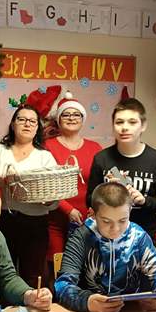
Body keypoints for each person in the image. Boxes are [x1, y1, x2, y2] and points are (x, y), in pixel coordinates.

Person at [55, 182, 156, 312]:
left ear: (130, 211)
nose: (115, 229)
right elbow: (62, 285)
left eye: (122, 220)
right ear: (92, 214)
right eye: (106, 221)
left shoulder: (138, 237)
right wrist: (87, 302)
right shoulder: (81, 237)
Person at [87, 98, 156, 240]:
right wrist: (108, 191)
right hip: (106, 236)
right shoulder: (101, 158)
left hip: (143, 236)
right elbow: (89, 199)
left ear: (143, 125)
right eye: (119, 122)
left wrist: (144, 201)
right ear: (113, 126)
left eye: (132, 122)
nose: (125, 127)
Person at [0, 104, 58, 287]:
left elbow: (54, 199)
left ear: (37, 128)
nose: (27, 124)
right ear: (13, 124)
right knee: (2, 273)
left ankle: (33, 305)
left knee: (33, 276)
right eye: (22, 119)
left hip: (35, 224)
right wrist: (1, 181)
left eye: (32, 121)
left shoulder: (45, 157)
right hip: (2, 220)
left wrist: (48, 199)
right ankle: (3, 306)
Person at [44, 93, 102, 283]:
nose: (71, 118)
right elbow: (46, 185)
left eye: (76, 114)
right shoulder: (47, 146)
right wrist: (68, 209)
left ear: (83, 119)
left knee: (86, 270)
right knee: (57, 271)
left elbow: (102, 182)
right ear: (58, 119)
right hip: (55, 220)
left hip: (88, 221)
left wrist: (96, 208)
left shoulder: (95, 148)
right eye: (66, 114)